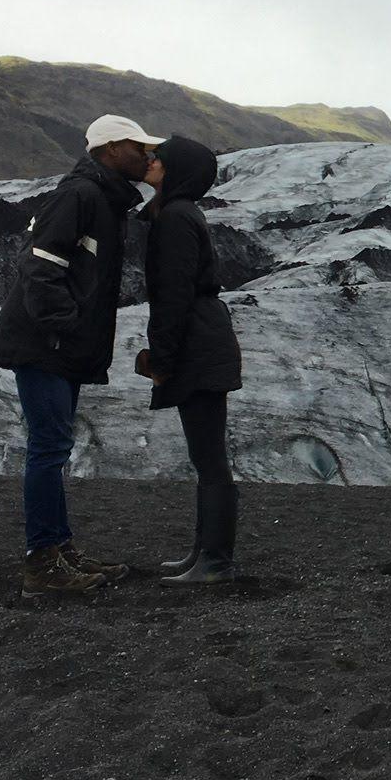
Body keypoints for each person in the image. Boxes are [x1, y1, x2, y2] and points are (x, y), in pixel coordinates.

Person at [0, 113, 163, 597]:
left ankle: (59, 550)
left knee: (54, 446)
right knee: (48, 448)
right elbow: (40, 265)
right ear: (108, 150)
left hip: (57, 344)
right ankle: (42, 563)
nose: (146, 155)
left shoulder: (103, 199)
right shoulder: (80, 195)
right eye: (136, 146)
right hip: (44, 345)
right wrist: (62, 329)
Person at [134, 134, 243, 584]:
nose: (150, 160)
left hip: (199, 344)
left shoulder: (176, 218)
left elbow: (173, 295)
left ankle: (214, 560)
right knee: (206, 455)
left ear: (176, 171)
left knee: (209, 457)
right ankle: (203, 553)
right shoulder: (176, 212)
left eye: (159, 158)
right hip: (203, 339)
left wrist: (161, 356)